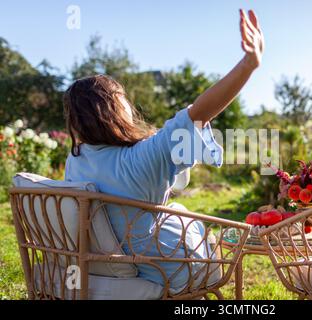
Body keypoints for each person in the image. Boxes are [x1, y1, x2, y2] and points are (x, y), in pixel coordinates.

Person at [64, 9, 264, 289]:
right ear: (113, 109)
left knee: (179, 213)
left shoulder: (76, 160)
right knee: (198, 230)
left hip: (103, 267)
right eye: (122, 97)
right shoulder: (143, 157)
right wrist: (248, 64)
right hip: (164, 271)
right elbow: (199, 113)